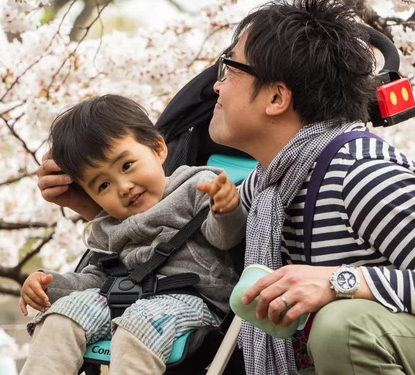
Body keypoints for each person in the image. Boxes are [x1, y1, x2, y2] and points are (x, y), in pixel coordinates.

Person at [37, 0, 415, 375]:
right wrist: (94, 205)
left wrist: (340, 282)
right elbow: (181, 232)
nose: (216, 87)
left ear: (277, 98)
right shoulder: (268, 187)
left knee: (342, 324)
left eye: (230, 69)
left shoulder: (359, 171)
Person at [20, 94, 247, 375]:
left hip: (192, 299)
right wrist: (50, 285)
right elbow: (98, 279)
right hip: (124, 301)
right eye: (103, 185)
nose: (124, 186)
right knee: (60, 317)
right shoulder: (108, 224)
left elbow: (224, 239)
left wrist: (225, 209)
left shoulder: (196, 186)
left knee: (136, 326)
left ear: (158, 148)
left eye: (127, 166)